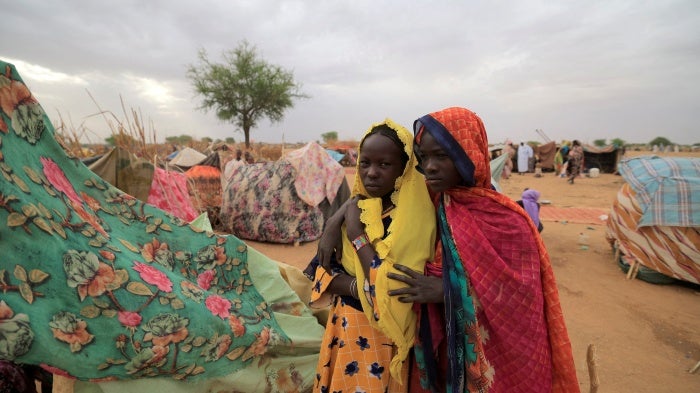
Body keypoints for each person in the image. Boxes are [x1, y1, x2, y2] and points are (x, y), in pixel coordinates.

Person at [387, 107, 580, 392]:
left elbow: (520, 300)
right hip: (446, 350)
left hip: (502, 363)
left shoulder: (507, 220)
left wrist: (448, 291)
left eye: (441, 155)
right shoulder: (434, 203)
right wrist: (340, 219)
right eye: (424, 158)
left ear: (469, 152)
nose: (429, 167)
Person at [305, 119, 436, 392]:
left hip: (381, 337)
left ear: (405, 168)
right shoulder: (357, 207)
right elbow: (320, 271)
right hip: (343, 326)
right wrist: (336, 221)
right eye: (365, 163)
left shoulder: (412, 220)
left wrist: (355, 234)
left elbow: (392, 289)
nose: (372, 173)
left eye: (384, 165)